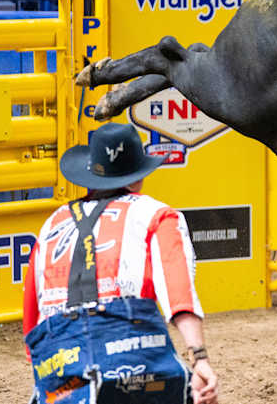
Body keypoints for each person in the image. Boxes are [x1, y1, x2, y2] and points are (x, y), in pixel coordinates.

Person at [22, 123, 218, 404]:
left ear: (89, 175)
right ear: (138, 177)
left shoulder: (53, 223)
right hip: (130, 348)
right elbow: (179, 296)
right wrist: (199, 357)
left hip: (59, 355)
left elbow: (32, 321)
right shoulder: (158, 215)